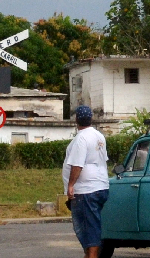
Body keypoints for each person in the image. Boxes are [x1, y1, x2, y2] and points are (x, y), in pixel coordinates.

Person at [63, 105, 109, 258]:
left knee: (88, 229)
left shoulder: (81, 138)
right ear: (91, 119)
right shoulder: (99, 136)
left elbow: (78, 164)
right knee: (89, 227)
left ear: (76, 119)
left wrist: (70, 185)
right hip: (101, 186)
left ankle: (93, 256)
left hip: (86, 190)